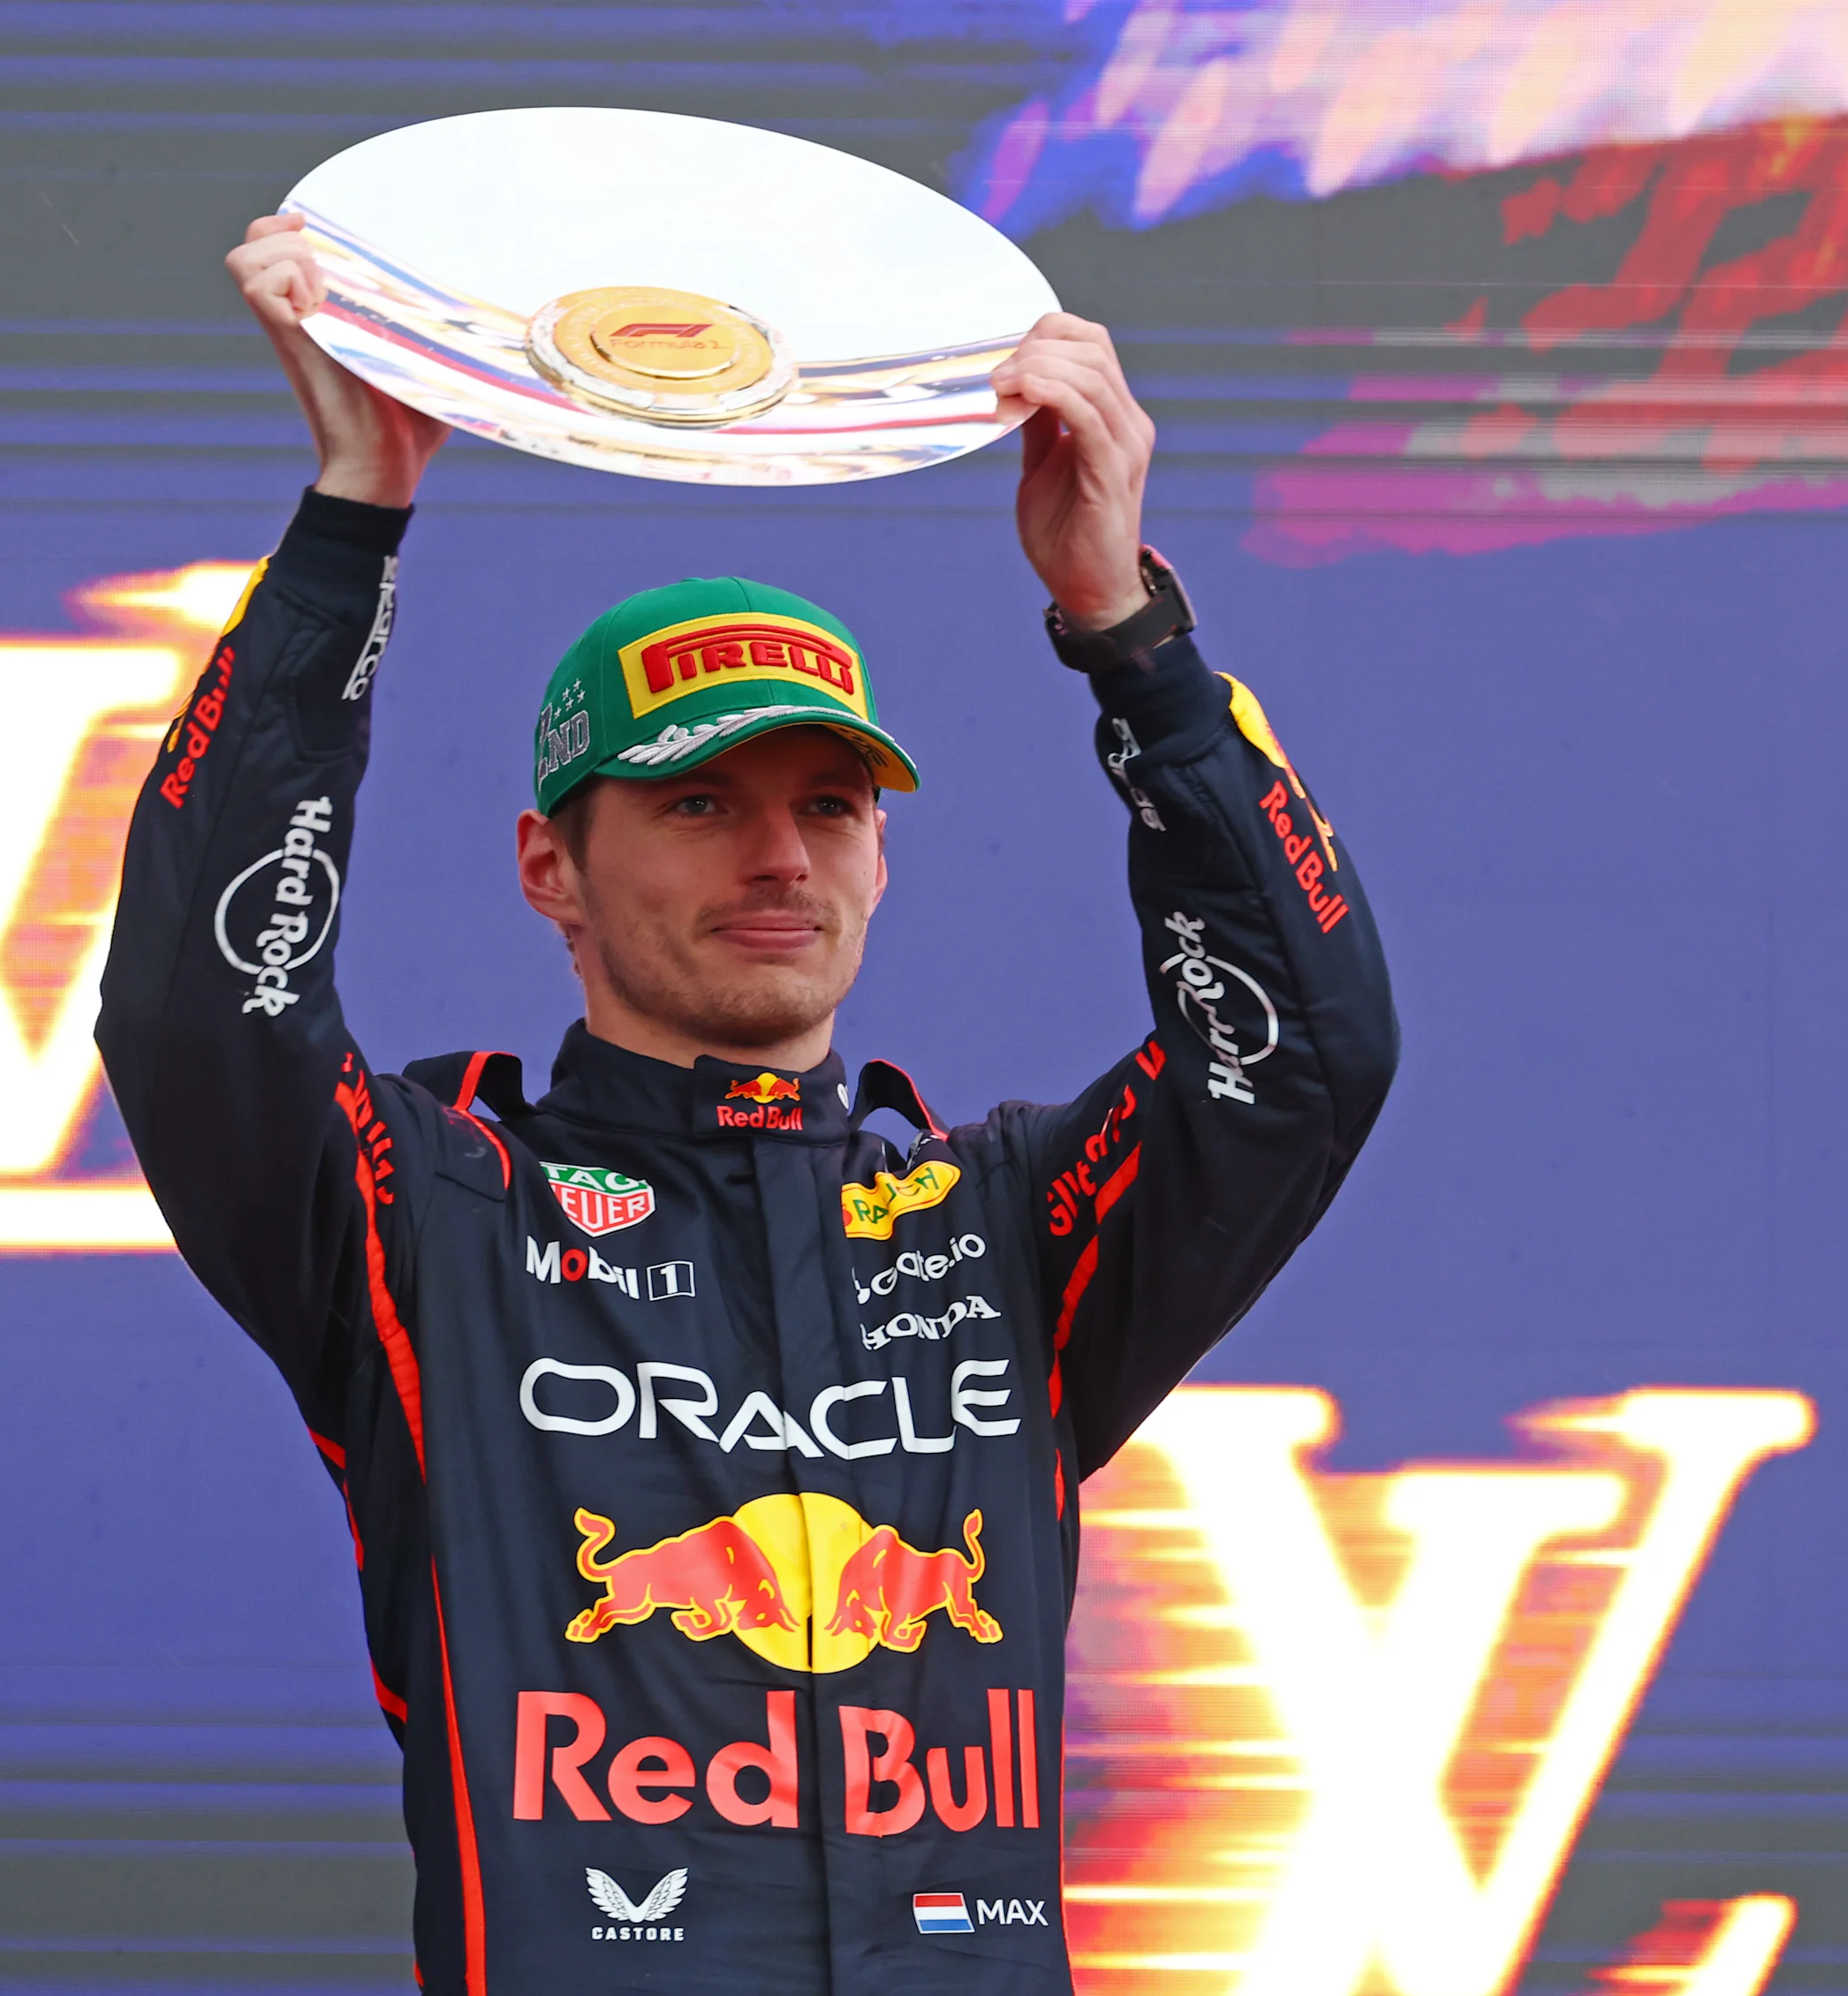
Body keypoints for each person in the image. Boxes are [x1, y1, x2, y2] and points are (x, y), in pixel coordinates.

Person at [95, 211, 1398, 1996]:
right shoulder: (433, 1213)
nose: (783, 855)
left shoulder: (1003, 1229)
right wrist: (351, 522)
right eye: (701, 804)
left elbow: (1308, 1054)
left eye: (833, 802)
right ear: (552, 862)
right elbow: (196, 1009)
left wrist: (1128, 634)